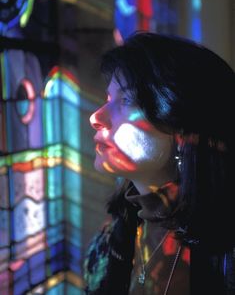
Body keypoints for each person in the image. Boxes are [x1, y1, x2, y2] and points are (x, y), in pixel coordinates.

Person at [83, 32, 235, 295]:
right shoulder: (108, 244)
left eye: (126, 100)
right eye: (109, 99)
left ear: (182, 125)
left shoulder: (225, 254)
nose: (96, 117)